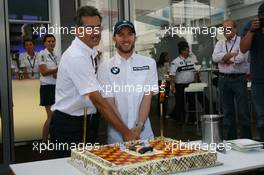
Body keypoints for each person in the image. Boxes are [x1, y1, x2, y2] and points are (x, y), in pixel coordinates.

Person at [50, 6, 135, 157]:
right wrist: (126, 132)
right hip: (71, 126)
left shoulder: (90, 52)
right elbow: (97, 100)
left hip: (88, 122)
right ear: (78, 30)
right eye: (89, 28)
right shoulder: (77, 56)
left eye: (97, 28)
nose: (95, 33)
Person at [98, 20, 158, 144]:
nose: (126, 38)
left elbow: (147, 98)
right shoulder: (105, 67)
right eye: (121, 34)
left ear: (135, 38)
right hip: (117, 137)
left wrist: (139, 127)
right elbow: (110, 103)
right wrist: (125, 131)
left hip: (144, 134)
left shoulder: (149, 63)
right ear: (114, 38)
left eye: (129, 34)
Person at [212, 19, 251, 140]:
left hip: (239, 79)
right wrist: (231, 55)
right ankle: (231, 140)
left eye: (228, 28)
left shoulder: (242, 41)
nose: (225, 31)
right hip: (224, 79)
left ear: (235, 29)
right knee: (227, 113)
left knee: (243, 112)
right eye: (223, 29)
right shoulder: (220, 43)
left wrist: (223, 58)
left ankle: (246, 140)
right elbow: (214, 58)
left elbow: (240, 58)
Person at [240, 2, 264, 141]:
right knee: (261, 118)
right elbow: (243, 48)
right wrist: (252, 31)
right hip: (259, 79)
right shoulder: (251, 25)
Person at [38, 34, 60, 142]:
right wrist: (58, 70)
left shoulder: (56, 55)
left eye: (53, 41)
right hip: (47, 88)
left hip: (56, 87)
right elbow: (44, 72)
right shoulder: (42, 54)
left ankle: (53, 139)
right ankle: (44, 141)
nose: (51, 43)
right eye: (49, 41)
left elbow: (56, 74)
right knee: (50, 117)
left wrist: (57, 71)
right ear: (44, 43)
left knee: (56, 117)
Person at [169, 41, 198, 121]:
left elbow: (196, 71)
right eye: (186, 50)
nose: (188, 52)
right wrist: (172, 86)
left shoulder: (191, 60)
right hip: (180, 85)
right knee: (180, 103)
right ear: (182, 51)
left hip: (191, 85)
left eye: (188, 50)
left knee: (192, 102)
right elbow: (172, 75)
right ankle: (180, 119)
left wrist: (196, 81)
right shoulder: (175, 62)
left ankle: (192, 119)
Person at [157, 52, 170, 118]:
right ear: (164, 57)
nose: (168, 58)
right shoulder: (167, 64)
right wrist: (169, 80)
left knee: (161, 97)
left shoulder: (158, 64)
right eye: (167, 56)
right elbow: (168, 74)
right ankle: (165, 114)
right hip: (165, 82)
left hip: (159, 82)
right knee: (165, 98)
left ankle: (160, 112)